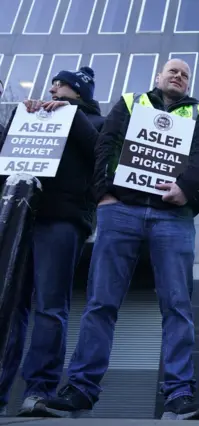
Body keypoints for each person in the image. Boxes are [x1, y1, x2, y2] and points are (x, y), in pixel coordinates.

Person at [37, 59, 199, 420]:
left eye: (185, 74)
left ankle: (179, 394)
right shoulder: (131, 101)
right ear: (158, 76)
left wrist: (185, 189)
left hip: (173, 217)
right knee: (101, 302)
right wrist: (103, 193)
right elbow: (107, 143)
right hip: (121, 210)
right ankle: (80, 388)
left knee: (178, 307)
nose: (179, 76)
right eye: (173, 71)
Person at [0, 66, 103, 417]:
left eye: (63, 86)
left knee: (49, 306)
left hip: (62, 220)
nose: (54, 90)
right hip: (21, 216)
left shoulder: (95, 121)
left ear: (79, 93)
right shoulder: (34, 113)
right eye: (53, 85)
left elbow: (100, 153)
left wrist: (70, 117)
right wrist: (20, 116)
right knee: (10, 306)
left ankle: (38, 389)